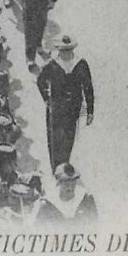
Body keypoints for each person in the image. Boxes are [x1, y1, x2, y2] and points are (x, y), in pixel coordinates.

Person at [36, 34, 93, 170]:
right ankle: (55, 168)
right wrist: (46, 98)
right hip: (56, 108)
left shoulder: (81, 64)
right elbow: (40, 80)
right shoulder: (51, 64)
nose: (66, 53)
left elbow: (88, 87)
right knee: (55, 139)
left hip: (73, 109)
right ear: (59, 50)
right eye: (63, 50)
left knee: (69, 138)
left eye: (69, 50)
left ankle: (64, 164)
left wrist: (90, 111)